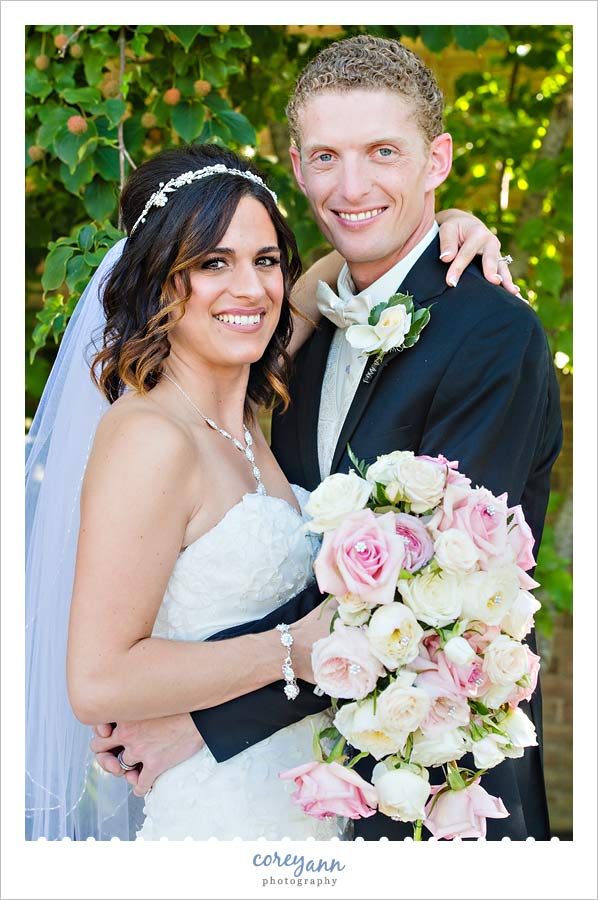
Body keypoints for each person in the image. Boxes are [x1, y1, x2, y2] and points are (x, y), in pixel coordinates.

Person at [92, 35, 562, 841]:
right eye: (325, 157)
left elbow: (423, 602)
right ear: (298, 166)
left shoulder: (492, 333)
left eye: (384, 152)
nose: (352, 187)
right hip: (300, 790)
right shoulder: (293, 327)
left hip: (430, 790)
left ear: (436, 159)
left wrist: (201, 725)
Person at [25, 137, 504, 841]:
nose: (249, 289)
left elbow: (341, 262)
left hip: (296, 806)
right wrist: (294, 649)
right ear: (158, 279)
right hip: (218, 818)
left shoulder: (249, 411)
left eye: (265, 260)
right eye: (212, 263)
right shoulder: (151, 436)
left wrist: (448, 224)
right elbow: (97, 680)